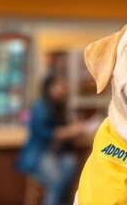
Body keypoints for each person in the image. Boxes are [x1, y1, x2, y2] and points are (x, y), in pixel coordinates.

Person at [17, 74, 83, 205]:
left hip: (57, 154)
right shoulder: (39, 107)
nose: (63, 89)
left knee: (71, 164)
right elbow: (49, 134)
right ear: (50, 88)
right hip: (40, 154)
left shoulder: (60, 107)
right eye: (60, 86)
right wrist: (72, 130)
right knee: (58, 181)